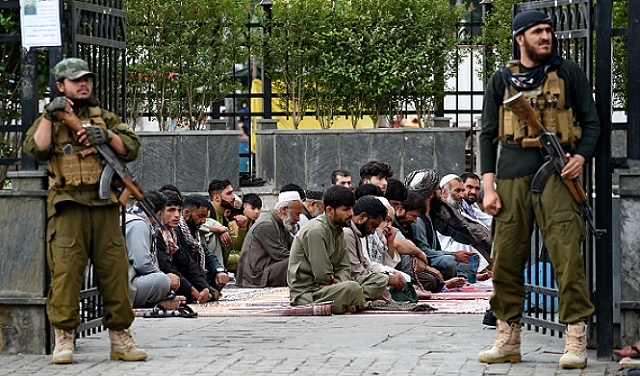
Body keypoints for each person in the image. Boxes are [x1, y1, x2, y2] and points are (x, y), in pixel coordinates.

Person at [477, 10, 600, 369]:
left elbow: (592, 123)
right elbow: (486, 134)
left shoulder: (567, 73)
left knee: (567, 257)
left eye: (548, 31)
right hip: (512, 177)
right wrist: (488, 187)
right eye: (537, 32)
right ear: (520, 38)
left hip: (558, 177)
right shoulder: (502, 79)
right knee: (506, 260)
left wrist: (580, 157)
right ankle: (508, 337)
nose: (546, 37)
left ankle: (575, 338)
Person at [23, 57, 146, 363]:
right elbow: (35, 148)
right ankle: (64, 339)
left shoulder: (102, 116)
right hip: (67, 206)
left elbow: (131, 147)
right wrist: (51, 116)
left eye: (86, 80)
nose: (83, 84)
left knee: (115, 272)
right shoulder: (51, 118)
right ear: (60, 86)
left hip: (104, 206)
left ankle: (120, 339)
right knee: (66, 273)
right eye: (76, 80)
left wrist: (106, 136)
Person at [288, 185, 382, 314]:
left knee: (380, 281)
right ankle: (355, 302)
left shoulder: (339, 230)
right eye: (345, 209)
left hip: (332, 286)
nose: (350, 214)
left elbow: (344, 267)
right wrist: (341, 285)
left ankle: (348, 302)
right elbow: (323, 275)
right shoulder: (316, 231)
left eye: (351, 209)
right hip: (308, 293)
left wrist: (340, 282)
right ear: (330, 210)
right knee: (352, 288)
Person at [125, 191, 183, 310]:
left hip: (122, 279)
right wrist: (166, 278)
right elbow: (142, 263)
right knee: (163, 281)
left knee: (165, 280)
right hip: (121, 283)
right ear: (158, 213)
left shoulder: (134, 219)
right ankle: (159, 302)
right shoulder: (138, 224)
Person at [156, 192, 214, 304]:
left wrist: (205, 288)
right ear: (159, 212)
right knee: (173, 280)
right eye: (171, 210)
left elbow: (187, 263)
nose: (177, 215)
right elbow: (167, 268)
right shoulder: (156, 234)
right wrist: (193, 291)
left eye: (178, 210)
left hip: (177, 279)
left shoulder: (171, 234)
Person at [343, 196, 405, 301]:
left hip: (362, 278)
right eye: (373, 226)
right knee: (378, 283)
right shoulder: (347, 233)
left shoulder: (356, 233)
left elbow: (366, 264)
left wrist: (388, 275)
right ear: (362, 217)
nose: (373, 232)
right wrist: (386, 278)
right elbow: (356, 273)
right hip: (347, 282)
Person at [235, 191, 303, 287]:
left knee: (302, 258)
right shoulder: (266, 225)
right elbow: (281, 255)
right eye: (296, 214)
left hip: (269, 269)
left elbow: (295, 246)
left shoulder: (282, 222)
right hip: (257, 276)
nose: (298, 219)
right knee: (298, 262)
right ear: (284, 209)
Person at [175, 195, 229, 299]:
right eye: (200, 217)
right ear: (186, 213)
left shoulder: (194, 233)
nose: (204, 221)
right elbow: (186, 267)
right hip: (186, 278)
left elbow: (208, 255)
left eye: (205, 217)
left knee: (222, 275)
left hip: (198, 276)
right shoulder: (176, 232)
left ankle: (206, 292)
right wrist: (207, 287)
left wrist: (219, 271)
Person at [206, 179, 247, 272]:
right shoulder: (206, 211)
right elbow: (193, 227)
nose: (233, 197)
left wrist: (242, 228)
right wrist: (218, 230)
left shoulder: (224, 219)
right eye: (229, 194)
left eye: (232, 193)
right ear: (217, 198)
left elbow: (234, 245)